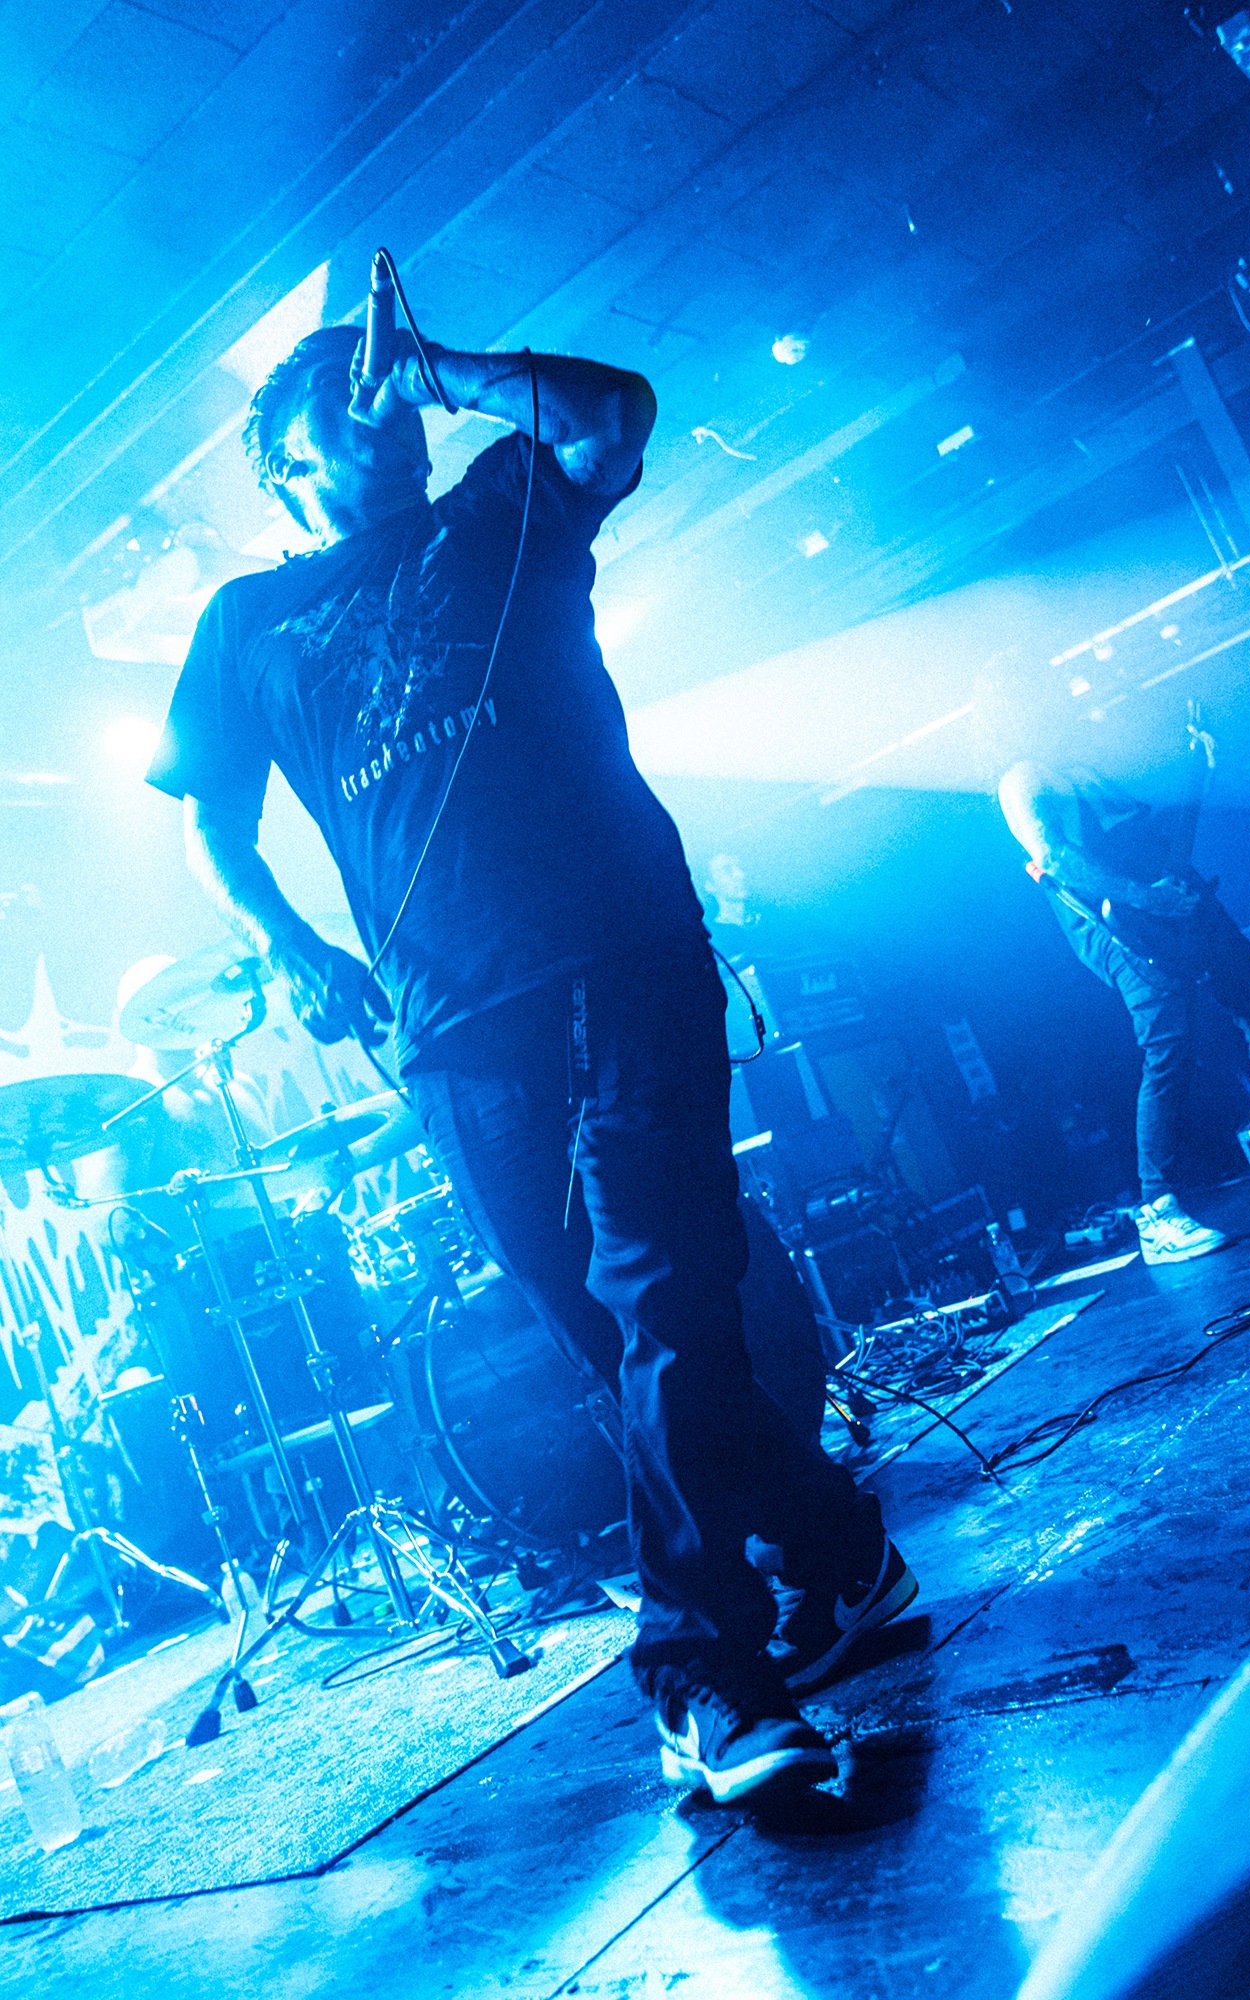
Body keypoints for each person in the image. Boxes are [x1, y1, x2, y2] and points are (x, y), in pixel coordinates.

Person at [146, 318, 916, 1801]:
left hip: (625, 956)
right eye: (343, 409)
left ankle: (704, 1673)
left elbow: (613, 412)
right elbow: (209, 825)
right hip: (446, 1019)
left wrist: (437, 367)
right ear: (283, 463)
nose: (381, 419)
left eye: (387, 399)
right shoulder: (245, 622)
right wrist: (293, 947)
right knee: (608, 1333)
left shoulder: (502, 502)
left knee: (663, 1297)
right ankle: (843, 1553)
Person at [998, 758, 1250, 1264]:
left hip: (1175, 898)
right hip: (1122, 925)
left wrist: (1200, 769)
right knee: (1168, 1051)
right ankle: (1157, 1214)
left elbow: (1146, 830)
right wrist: (1147, 898)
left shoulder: (1089, 762)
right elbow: (1056, 858)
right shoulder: (1025, 777)